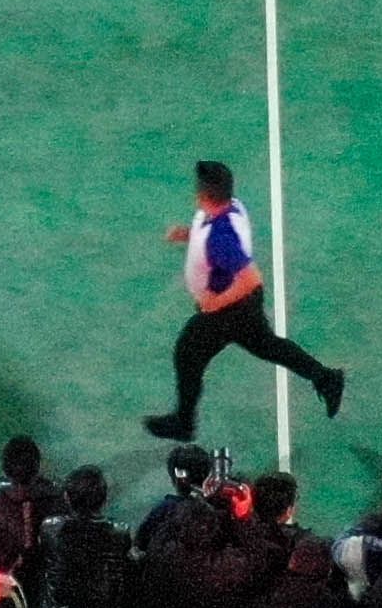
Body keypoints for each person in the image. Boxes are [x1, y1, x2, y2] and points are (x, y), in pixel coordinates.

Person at [144, 159, 343, 444]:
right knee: (267, 346)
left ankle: (184, 423)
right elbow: (215, 241)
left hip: (228, 311)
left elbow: (251, 278)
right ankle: (326, 378)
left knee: (187, 353)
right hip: (242, 307)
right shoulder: (229, 207)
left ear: (201, 195)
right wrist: (188, 235)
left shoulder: (219, 239)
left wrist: (215, 303)